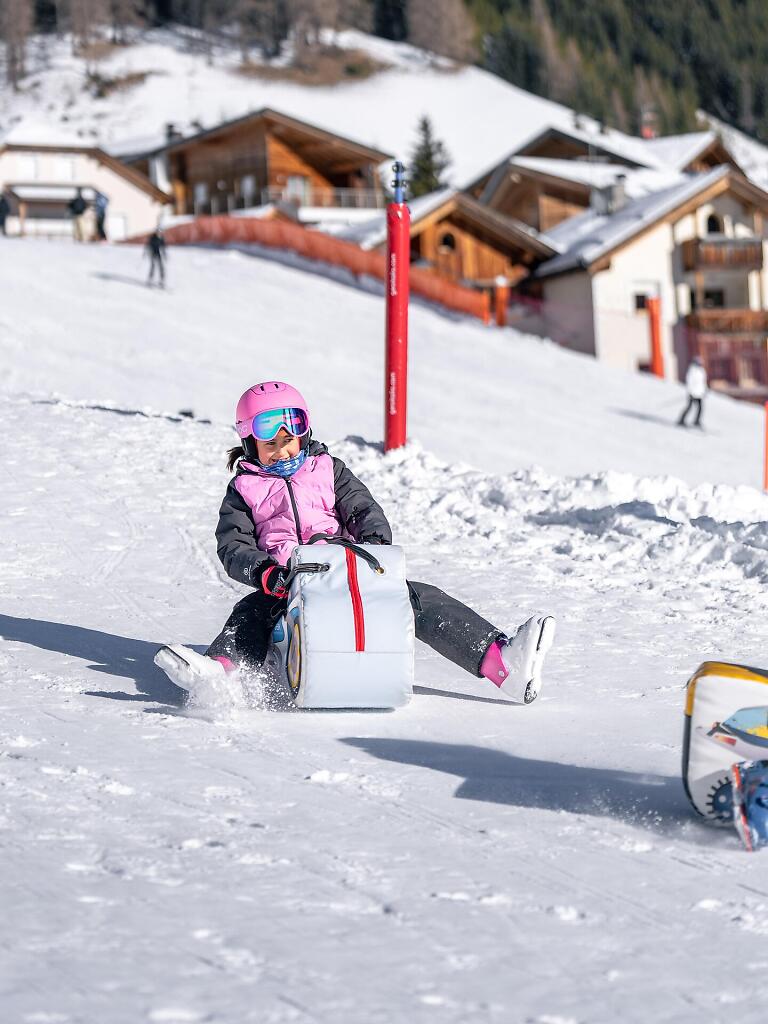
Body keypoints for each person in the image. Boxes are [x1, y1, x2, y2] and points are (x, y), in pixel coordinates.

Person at [155, 382, 556, 704]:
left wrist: (373, 545)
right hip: (286, 581)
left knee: (417, 598)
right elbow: (233, 544)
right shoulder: (244, 488)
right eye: (270, 444)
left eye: (289, 439)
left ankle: (502, 663)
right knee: (250, 612)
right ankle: (219, 671)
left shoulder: (328, 469)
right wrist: (265, 573)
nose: (282, 451)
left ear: (304, 433)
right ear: (250, 444)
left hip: (343, 571)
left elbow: (362, 508)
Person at [678, 355, 708, 429]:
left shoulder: (701, 370)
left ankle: (696, 421)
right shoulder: (692, 371)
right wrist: (690, 392)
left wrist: (704, 390)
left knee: (700, 408)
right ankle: (681, 420)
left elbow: (703, 382)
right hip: (693, 393)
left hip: (699, 393)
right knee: (689, 407)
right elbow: (689, 382)